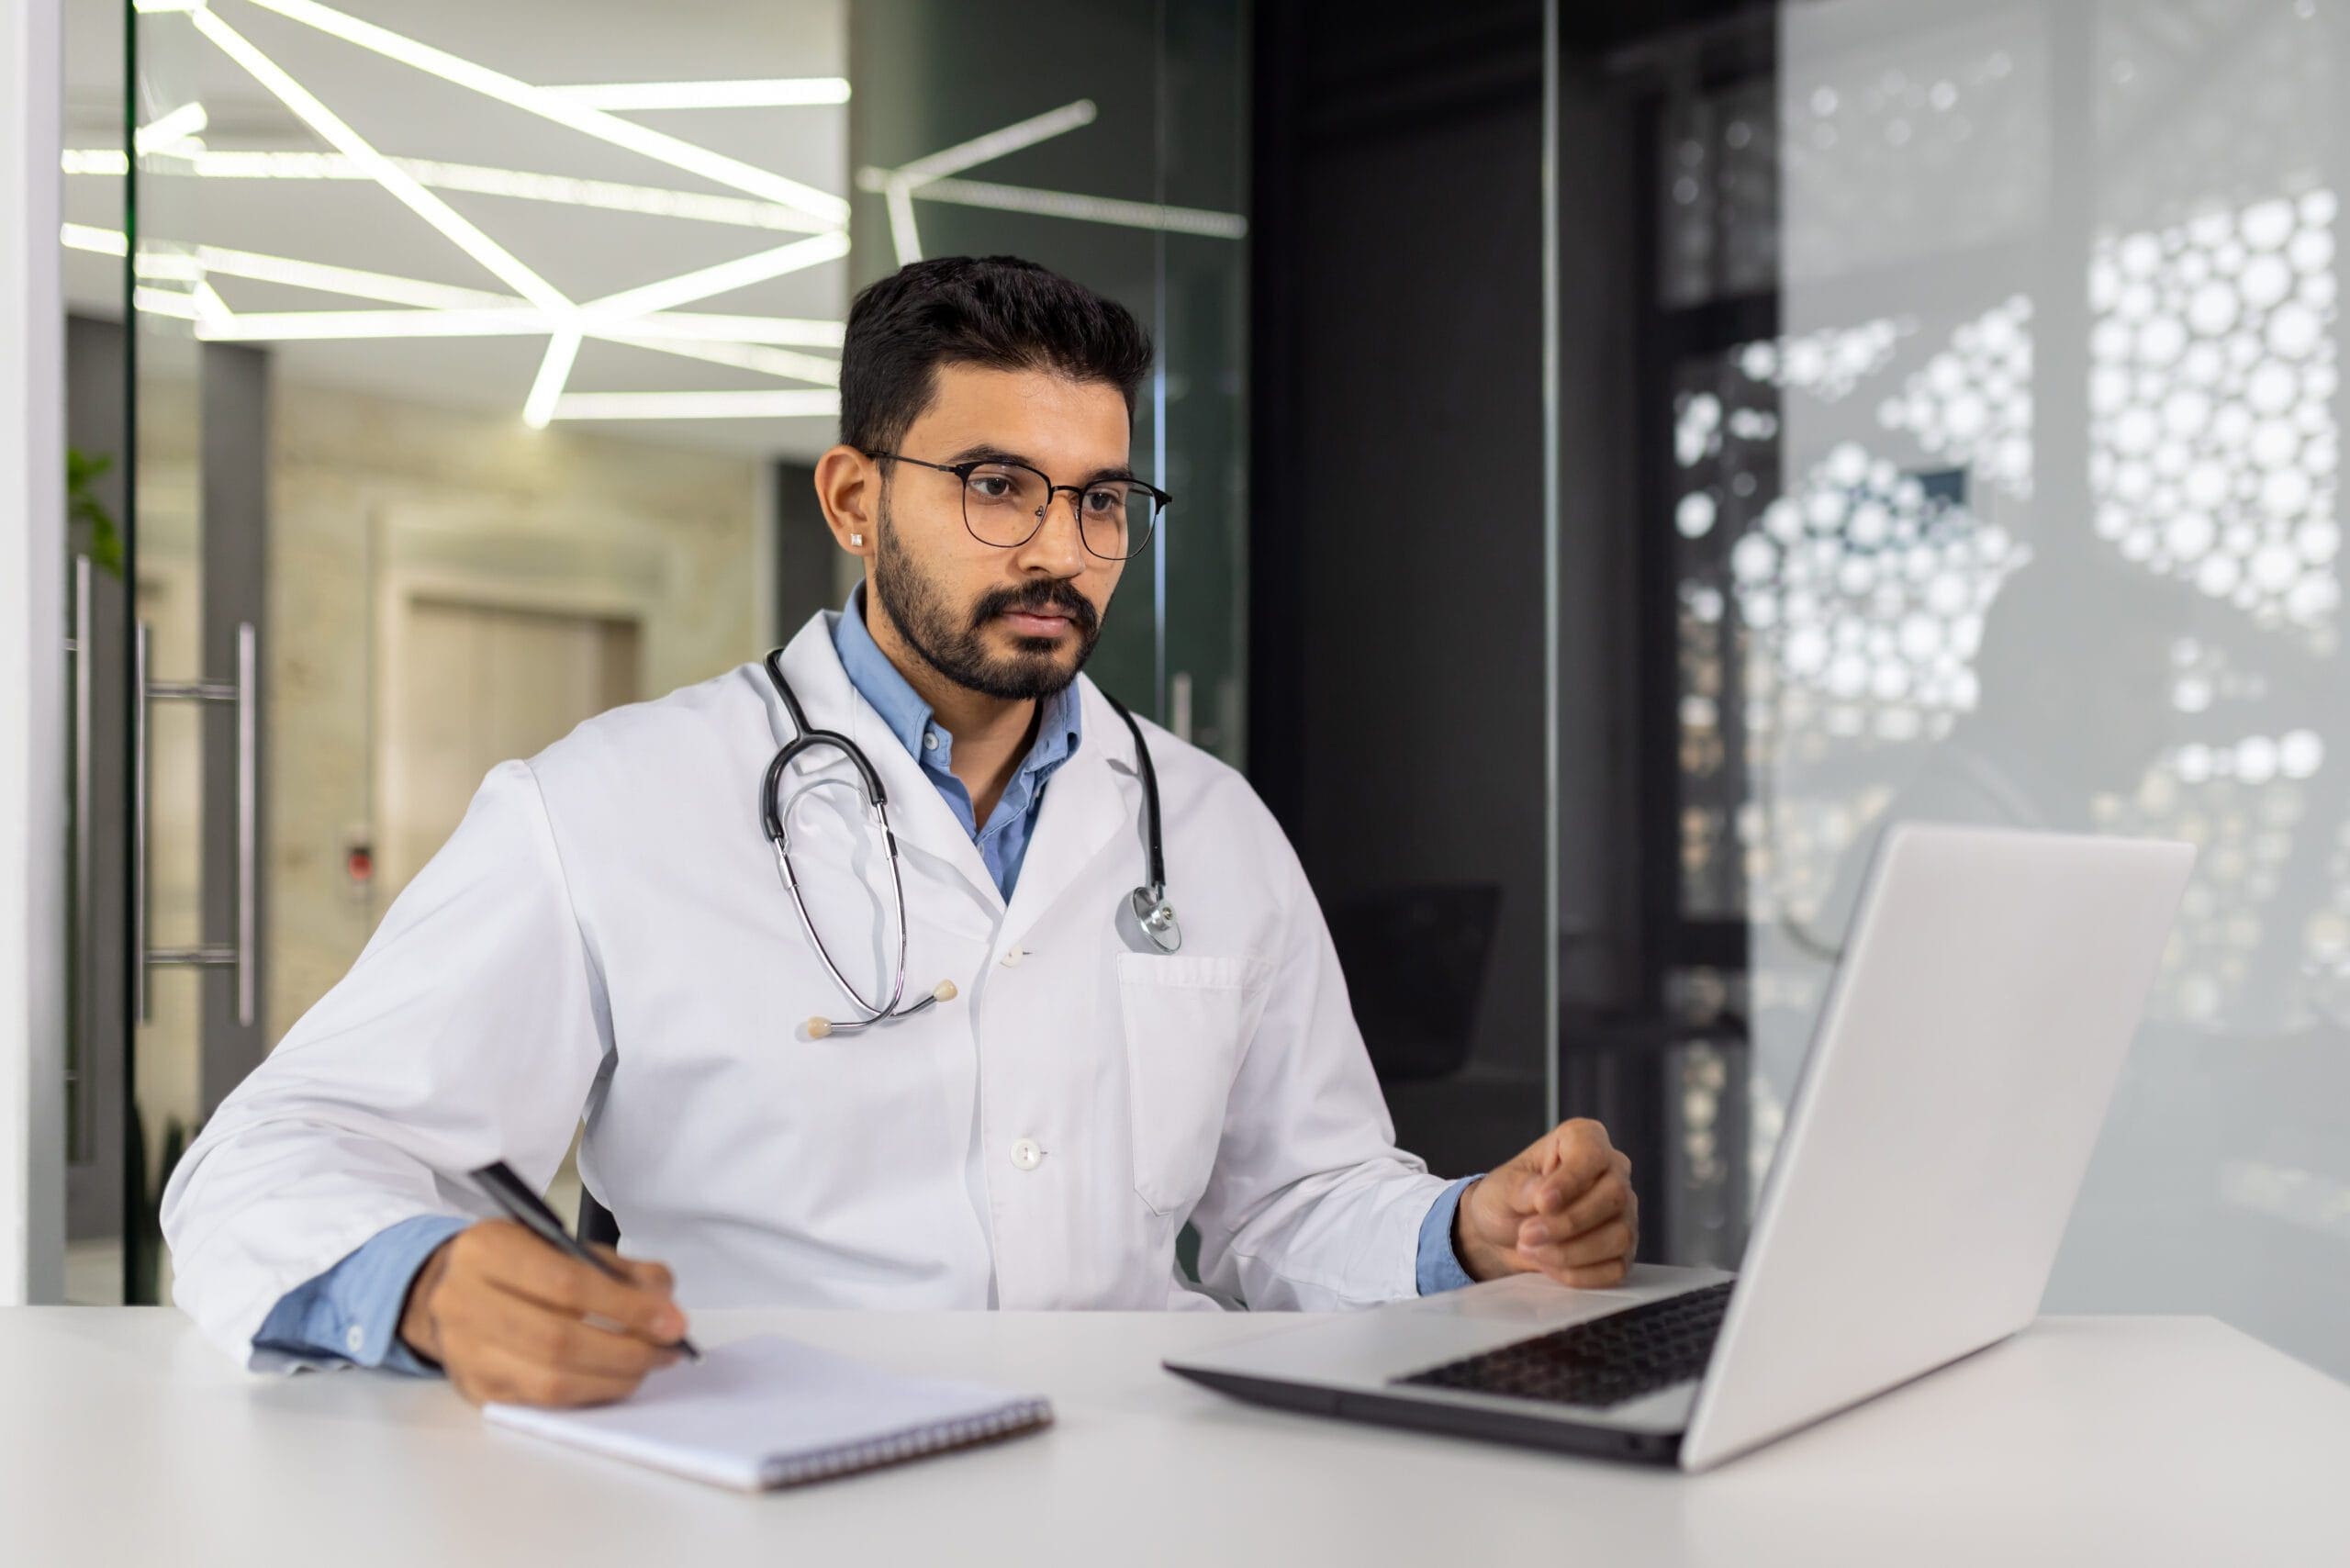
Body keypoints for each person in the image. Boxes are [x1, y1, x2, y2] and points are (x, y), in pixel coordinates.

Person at [162, 256, 1639, 1408]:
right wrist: (427, 1283)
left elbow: (1299, 1199)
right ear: (854, 498)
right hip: (759, 1480)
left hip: (1139, 1487)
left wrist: (1466, 1232)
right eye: (998, 487)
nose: (1061, 549)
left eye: (1103, 499)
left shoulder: (1207, 822)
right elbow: (277, 1154)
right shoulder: (605, 804)